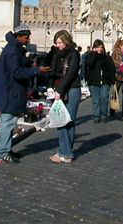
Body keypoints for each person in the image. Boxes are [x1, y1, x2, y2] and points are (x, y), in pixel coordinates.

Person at [0, 25, 39, 164]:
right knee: (7, 122)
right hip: (10, 92)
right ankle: (2, 153)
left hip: (12, 91)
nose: (28, 39)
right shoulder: (13, 50)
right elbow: (16, 72)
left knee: (10, 122)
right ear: (19, 36)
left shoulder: (15, 48)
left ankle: (6, 149)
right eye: (26, 36)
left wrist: (27, 62)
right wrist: (35, 70)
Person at [48, 30, 81, 164]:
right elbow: (53, 72)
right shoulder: (57, 54)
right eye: (56, 43)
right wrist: (50, 87)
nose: (58, 45)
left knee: (67, 121)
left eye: (60, 42)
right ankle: (64, 151)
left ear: (66, 41)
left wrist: (60, 91)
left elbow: (71, 74)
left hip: (72, 90)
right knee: (61, 121)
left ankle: (65, 153)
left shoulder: (74, 54)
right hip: (59, 90)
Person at [85, 39, 115, 123]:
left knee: (104, 98)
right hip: (94, 82)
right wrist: (94, 54)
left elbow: (112, 69)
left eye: (101, 47)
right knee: (96, 100)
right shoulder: (90, 56)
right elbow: (89, 64)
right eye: (97, 47)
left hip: (105, 81)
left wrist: (112, 80)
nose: (99, 49)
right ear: (94, 48)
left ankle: (104, 115)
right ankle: (96, 116)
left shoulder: (107, 57)